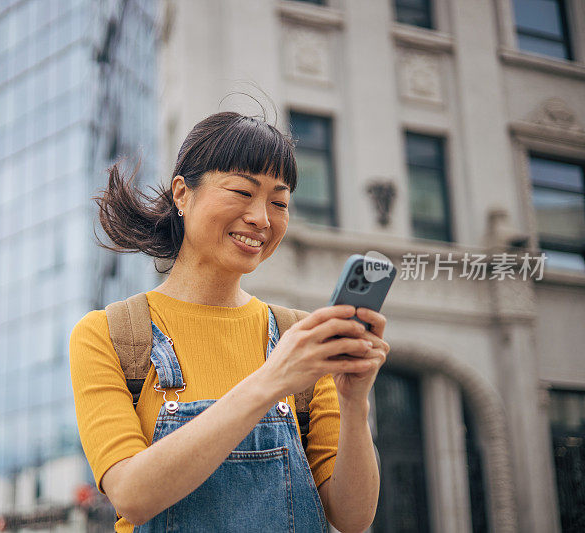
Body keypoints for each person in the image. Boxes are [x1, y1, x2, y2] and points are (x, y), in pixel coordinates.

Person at [69, 110, 390, 532]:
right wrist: (271, 381)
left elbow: (352, 517)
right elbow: (132, 493)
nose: (262, 218)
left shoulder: (297, 334)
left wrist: (354, 403)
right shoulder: (109, 335)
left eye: (279, 202)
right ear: (183, 194)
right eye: (242, 192)